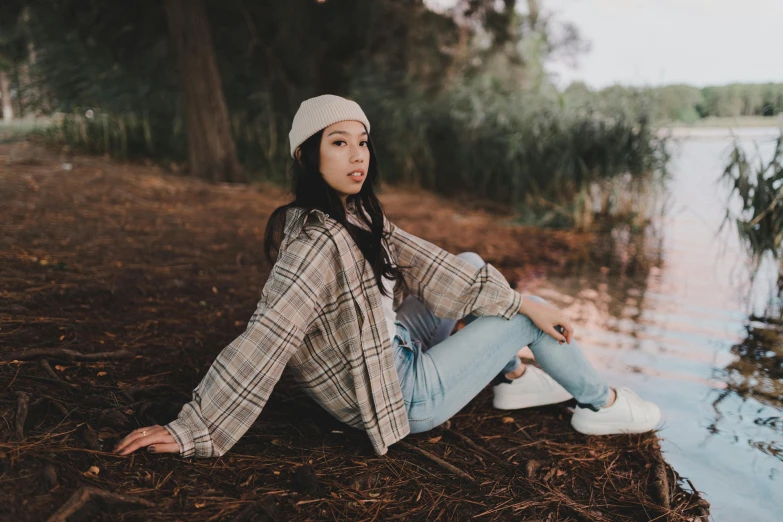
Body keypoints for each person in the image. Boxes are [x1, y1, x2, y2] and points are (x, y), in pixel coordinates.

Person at [114, 95, 660, 458]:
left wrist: (511, 296)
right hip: (396, 394)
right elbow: (267, 336)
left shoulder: (355, 216)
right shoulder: (315, 245)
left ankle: (511, 382)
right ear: (307, 156)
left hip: (387, 346)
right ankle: (603, 406)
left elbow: (433, 264)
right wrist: (192, 427)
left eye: (363, 141)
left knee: (470, 264)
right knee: (525, 318)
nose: (358, 155)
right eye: (338, 142)